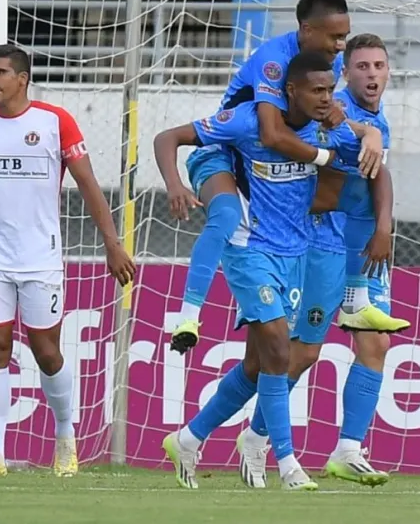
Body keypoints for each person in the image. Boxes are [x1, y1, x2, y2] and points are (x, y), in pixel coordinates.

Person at [160, 51, 392, 491]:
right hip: (254, 246)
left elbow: (375, 174)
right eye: (320, 91)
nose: (328, 99)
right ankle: (283, 460)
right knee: (277, 346)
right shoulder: (253, 119)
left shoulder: (333, 124)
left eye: (329, 91)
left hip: (301, 251)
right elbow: (176, 137)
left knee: (273, 360)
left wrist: (370, 140)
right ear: (290, 91)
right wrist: (183, 183)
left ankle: (191, 438)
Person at [0, 44, 135, 478]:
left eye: (0, 72)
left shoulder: (53, 122)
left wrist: (111, 243)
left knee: (46, 352)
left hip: (40, 259)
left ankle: (66, 437)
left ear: (22, 79)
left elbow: (88, 184)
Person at [160, 0, 399, 356]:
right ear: (306, 30)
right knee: (224, 215)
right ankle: (188, 315)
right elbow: (270, 134)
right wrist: (323, 157)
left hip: (266, 168)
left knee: (363, 182)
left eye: (344, 37)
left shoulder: (329, 64)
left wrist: (367, 132)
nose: (341, 46)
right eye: (336, 37)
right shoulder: (274, 60)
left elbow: (328, 113)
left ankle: (357, 298)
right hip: (226, 152)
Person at [239, 34, 397, 487]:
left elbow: (376, 176)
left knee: (375, 343)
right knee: (302, 353)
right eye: (362, 66)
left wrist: (383, 228)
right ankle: (256, 437)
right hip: (322, 245)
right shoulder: (332, 108)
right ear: (346, 72)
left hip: (362, 246)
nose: (371, 74)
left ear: (388, 72)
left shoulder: (377, 118)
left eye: (378, 66)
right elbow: (329, 165)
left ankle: (349, 448)